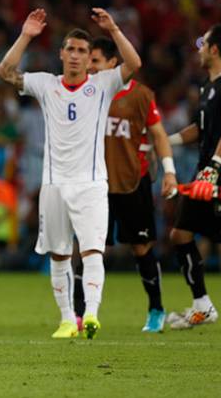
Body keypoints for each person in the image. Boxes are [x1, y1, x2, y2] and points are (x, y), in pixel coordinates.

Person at [0, 8, 141, 339]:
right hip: (54, 185)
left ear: (90, 58)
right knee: (59, 254)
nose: (76, 56)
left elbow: (134, 65)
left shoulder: (102, 85)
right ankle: (66, 319)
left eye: (82, 51)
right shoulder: (46, 84)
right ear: (61, 54)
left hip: (90, 184)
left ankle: (90, 314)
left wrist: (115, 29)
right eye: (71, 50)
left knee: (92, 250)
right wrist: (26, 35)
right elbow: (5, 71)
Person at [83, 36, 177, 333]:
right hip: (95, 183)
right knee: (87, 249)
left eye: (95, 61)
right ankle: (75, 315)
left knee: (141, 247)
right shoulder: (85, 93)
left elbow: (159, 134)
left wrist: (170, 171)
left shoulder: (140, 96)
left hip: (132, 181)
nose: (89, 66)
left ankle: (156, 309)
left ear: (113, 64)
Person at [163, 25, 221, 330]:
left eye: (202, 44)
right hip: (205, 175)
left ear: (215, 50)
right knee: (180, 234)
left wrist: (215, 167)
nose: (199, 49)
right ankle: (202, 305)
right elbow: (199, 128)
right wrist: (166, 141)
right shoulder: (208, 88)